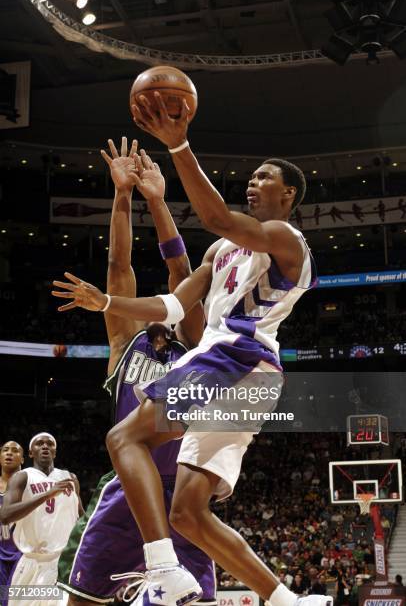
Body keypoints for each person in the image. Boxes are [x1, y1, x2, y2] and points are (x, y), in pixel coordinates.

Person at [51, 94, 331, 606]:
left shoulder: (287, 240)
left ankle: (163, 565)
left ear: (288, 193)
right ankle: (288, 600)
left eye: (265, 176)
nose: (253, 180)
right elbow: (176, 303)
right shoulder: (221, 252)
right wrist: (108, 301)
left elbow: (220, 219)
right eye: (252, 175)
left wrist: (177, 144)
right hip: (244, 376)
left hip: (238, 360)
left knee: (123, 439)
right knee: (189, 513)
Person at [57, 138, 215, 605]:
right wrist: (122, 195)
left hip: (184, 489)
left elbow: (181, 268)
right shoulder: (124, 344)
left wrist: (159, 201)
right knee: (83, 600)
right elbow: (117, 264)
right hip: (127, 494)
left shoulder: (193, 347)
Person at [0, 433, 82, 606]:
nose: (45, 446)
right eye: (39, 444)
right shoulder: (22, 477)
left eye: (50, 444)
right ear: (30, 453)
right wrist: (47, 494)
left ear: (55, 452)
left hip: (62, 562)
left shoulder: (70, 478)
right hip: (31, 560)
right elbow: (5, 515)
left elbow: (81, 519)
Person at [0, 441, 24, 604]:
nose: (9, 453)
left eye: (15, 451)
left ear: (23, 458)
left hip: (24, 553)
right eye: (5, 450)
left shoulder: (32, 485)